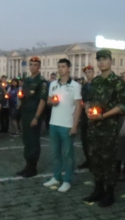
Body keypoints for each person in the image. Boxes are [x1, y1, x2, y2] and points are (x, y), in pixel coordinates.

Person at [82, 50, 125, 207]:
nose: (101, 62)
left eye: (105, 59)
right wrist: (88, 110)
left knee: (108, 160)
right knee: (94, 159)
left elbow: (123, 105)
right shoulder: (94, 82)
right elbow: (88, 99)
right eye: (99, 60)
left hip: (109, 128)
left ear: (111, 61)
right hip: (93, 127)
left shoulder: (117, 82)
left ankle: (109, 193)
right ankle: (98, 189)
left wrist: (103, 116)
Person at [43, 59, 82, 192]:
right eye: (59, 66)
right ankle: (56, 176)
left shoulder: (75, 86)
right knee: (55, 152)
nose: (60, 69)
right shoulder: (53, 84)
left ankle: (67, 180)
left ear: (69, 68)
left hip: (67, 124)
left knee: (68, 154)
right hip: (54, 123)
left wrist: (75, 125)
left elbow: (78, 107)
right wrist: (51, 102)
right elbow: (48, 99)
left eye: (63, 66)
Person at [16, 57, 48, 178]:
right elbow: (24, 95)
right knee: (26, 141)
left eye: (35, 65)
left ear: (39, 67)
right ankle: (27, 165)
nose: (33, 67)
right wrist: (21, 98)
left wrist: (36, 117)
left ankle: (33, 168)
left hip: (34, 114)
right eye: (31, 64)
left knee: (33, 141)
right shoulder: (27, 80)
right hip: (25, 113)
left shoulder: (41, 81)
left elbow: (42, 100)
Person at [78, 65, 95, 169]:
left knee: (92, 140)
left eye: (89, 72)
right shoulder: (84, 85)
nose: (88, 74)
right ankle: (88, 159)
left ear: (93, 72)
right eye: (86, 73)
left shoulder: (97, 84)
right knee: (84, 139)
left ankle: (93, 160)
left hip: (93, 114)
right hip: (84, 114)